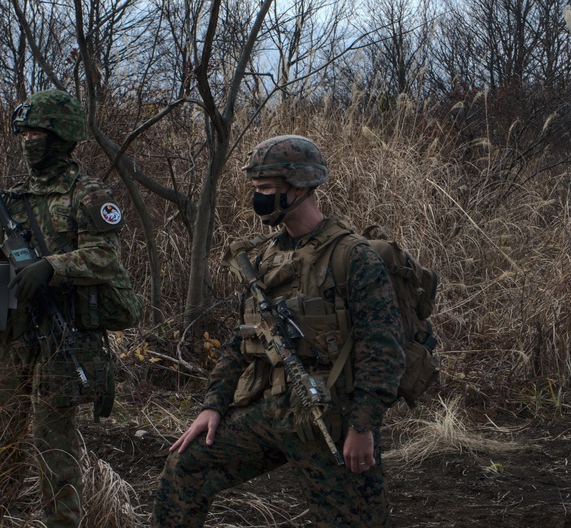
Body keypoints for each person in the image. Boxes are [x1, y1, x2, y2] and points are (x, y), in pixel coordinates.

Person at [151, 135, 406, 527]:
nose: (258, 199)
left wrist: (363, 426)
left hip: (329, 421)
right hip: (270, 411)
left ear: (300, 186)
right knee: (185, 466)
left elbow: (383, 348)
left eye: (266, 190)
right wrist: (213, 405)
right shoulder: (265, 256)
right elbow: (242, 340)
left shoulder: (352, 256)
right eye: (256, 190)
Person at [0, 89, 133, 527]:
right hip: (9, 336)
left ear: (61, 136)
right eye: (22, 132)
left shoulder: (87, 194)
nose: (27, 140)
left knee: (54, 445)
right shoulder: (12, 197)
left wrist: (51, 268)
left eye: (36, 132)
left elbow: (106, 257)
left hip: (61, 338)